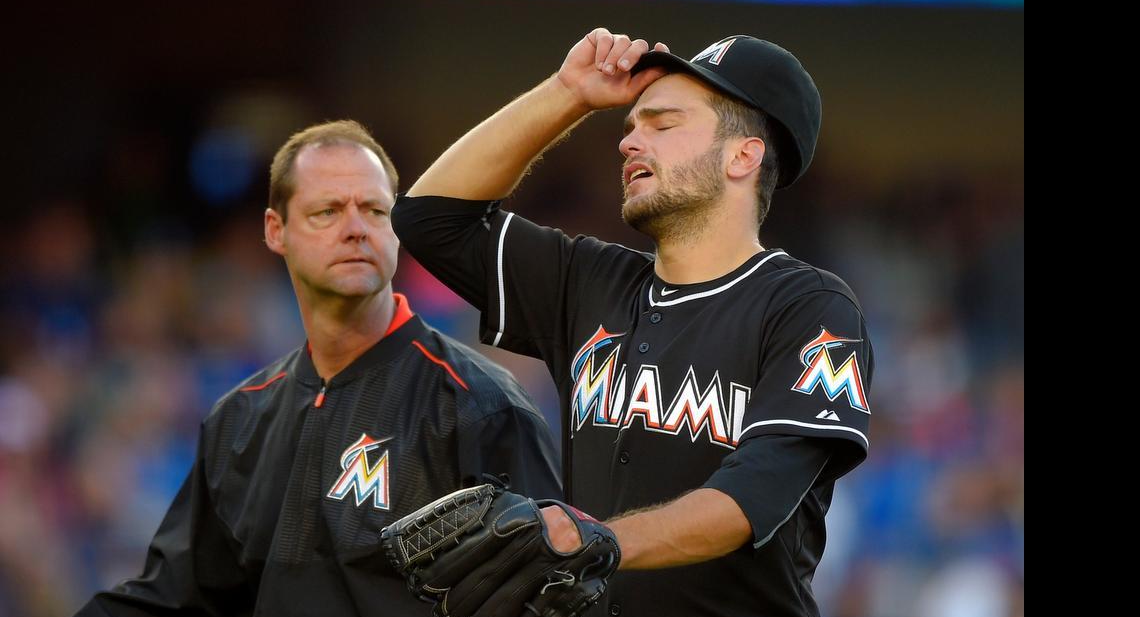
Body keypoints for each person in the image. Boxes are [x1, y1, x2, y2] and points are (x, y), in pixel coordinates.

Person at [390, 30, 874, 617]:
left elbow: (755, 497)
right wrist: (567, 93)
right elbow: (428, 219)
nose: (630, 142)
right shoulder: (589, 280)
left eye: (662, 125)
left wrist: (594, 539)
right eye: (631, 127)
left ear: (742, 155)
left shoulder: (810, 306)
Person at [75, 120, 561, 616]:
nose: (355, 228)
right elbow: (175, 599)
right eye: (327, 212)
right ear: (275, 231)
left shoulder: (479, 405)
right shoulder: (238, 419)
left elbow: (548, 594)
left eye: (375, 210)